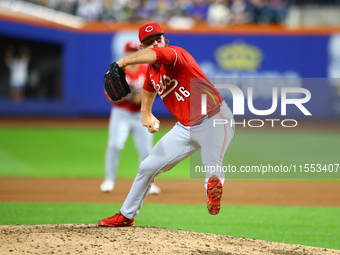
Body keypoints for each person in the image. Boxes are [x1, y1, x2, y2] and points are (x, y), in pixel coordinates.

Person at [98, 22, 235, 227]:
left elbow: (158, 56)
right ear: (142, 47)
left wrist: (122, 62)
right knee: (147, 166)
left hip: (216, 118)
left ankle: (213, 185)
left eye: (158, 39)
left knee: (212, 158)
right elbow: (149, 88)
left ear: (164, 39)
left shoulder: (175, 54)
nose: (155, 43)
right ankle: (126, 215)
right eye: (149, 42)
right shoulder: (152, 74)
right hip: (185, 127)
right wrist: (146, 114)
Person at [100, 40, 161, 195]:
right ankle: (109, 179)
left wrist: (141, 99)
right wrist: (128, 97)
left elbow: (154, 92)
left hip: (141, 113)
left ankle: (149, 184)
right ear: (125, 53)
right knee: (115, 145)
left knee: (146, 150)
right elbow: (110, 97)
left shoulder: (146, 70)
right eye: (130, 51)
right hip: (121, 114)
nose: (132, 54)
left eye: (135, 51)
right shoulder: (117, 71)